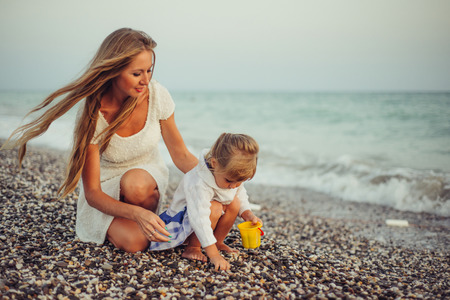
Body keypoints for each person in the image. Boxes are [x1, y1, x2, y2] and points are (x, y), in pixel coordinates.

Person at [2, 28, 198, 253]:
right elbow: (93, 192)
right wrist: (137, 214)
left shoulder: (157, 95)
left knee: (137, 184)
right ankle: (136, 222)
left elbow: (181, 155)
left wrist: (217, 180)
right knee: (136, 244)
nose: (146, 80)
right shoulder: (92, 114)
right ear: (114, 71)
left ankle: (145, 221)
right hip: (106, 190)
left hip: (146, 180)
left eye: (149, 71)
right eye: (137, 74)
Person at [150, 133, 263, 271]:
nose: (234, 186)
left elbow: (240, 194)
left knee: (235, 202)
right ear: (214, 164)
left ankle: (217, 242)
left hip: (205, 221)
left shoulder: (229, 175)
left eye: (239, 182)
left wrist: (247, 214)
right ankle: (193, 247)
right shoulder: (199, 182)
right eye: (229, 181)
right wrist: (214, 256)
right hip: (183, 222)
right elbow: (199, 218)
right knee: (214, 207)